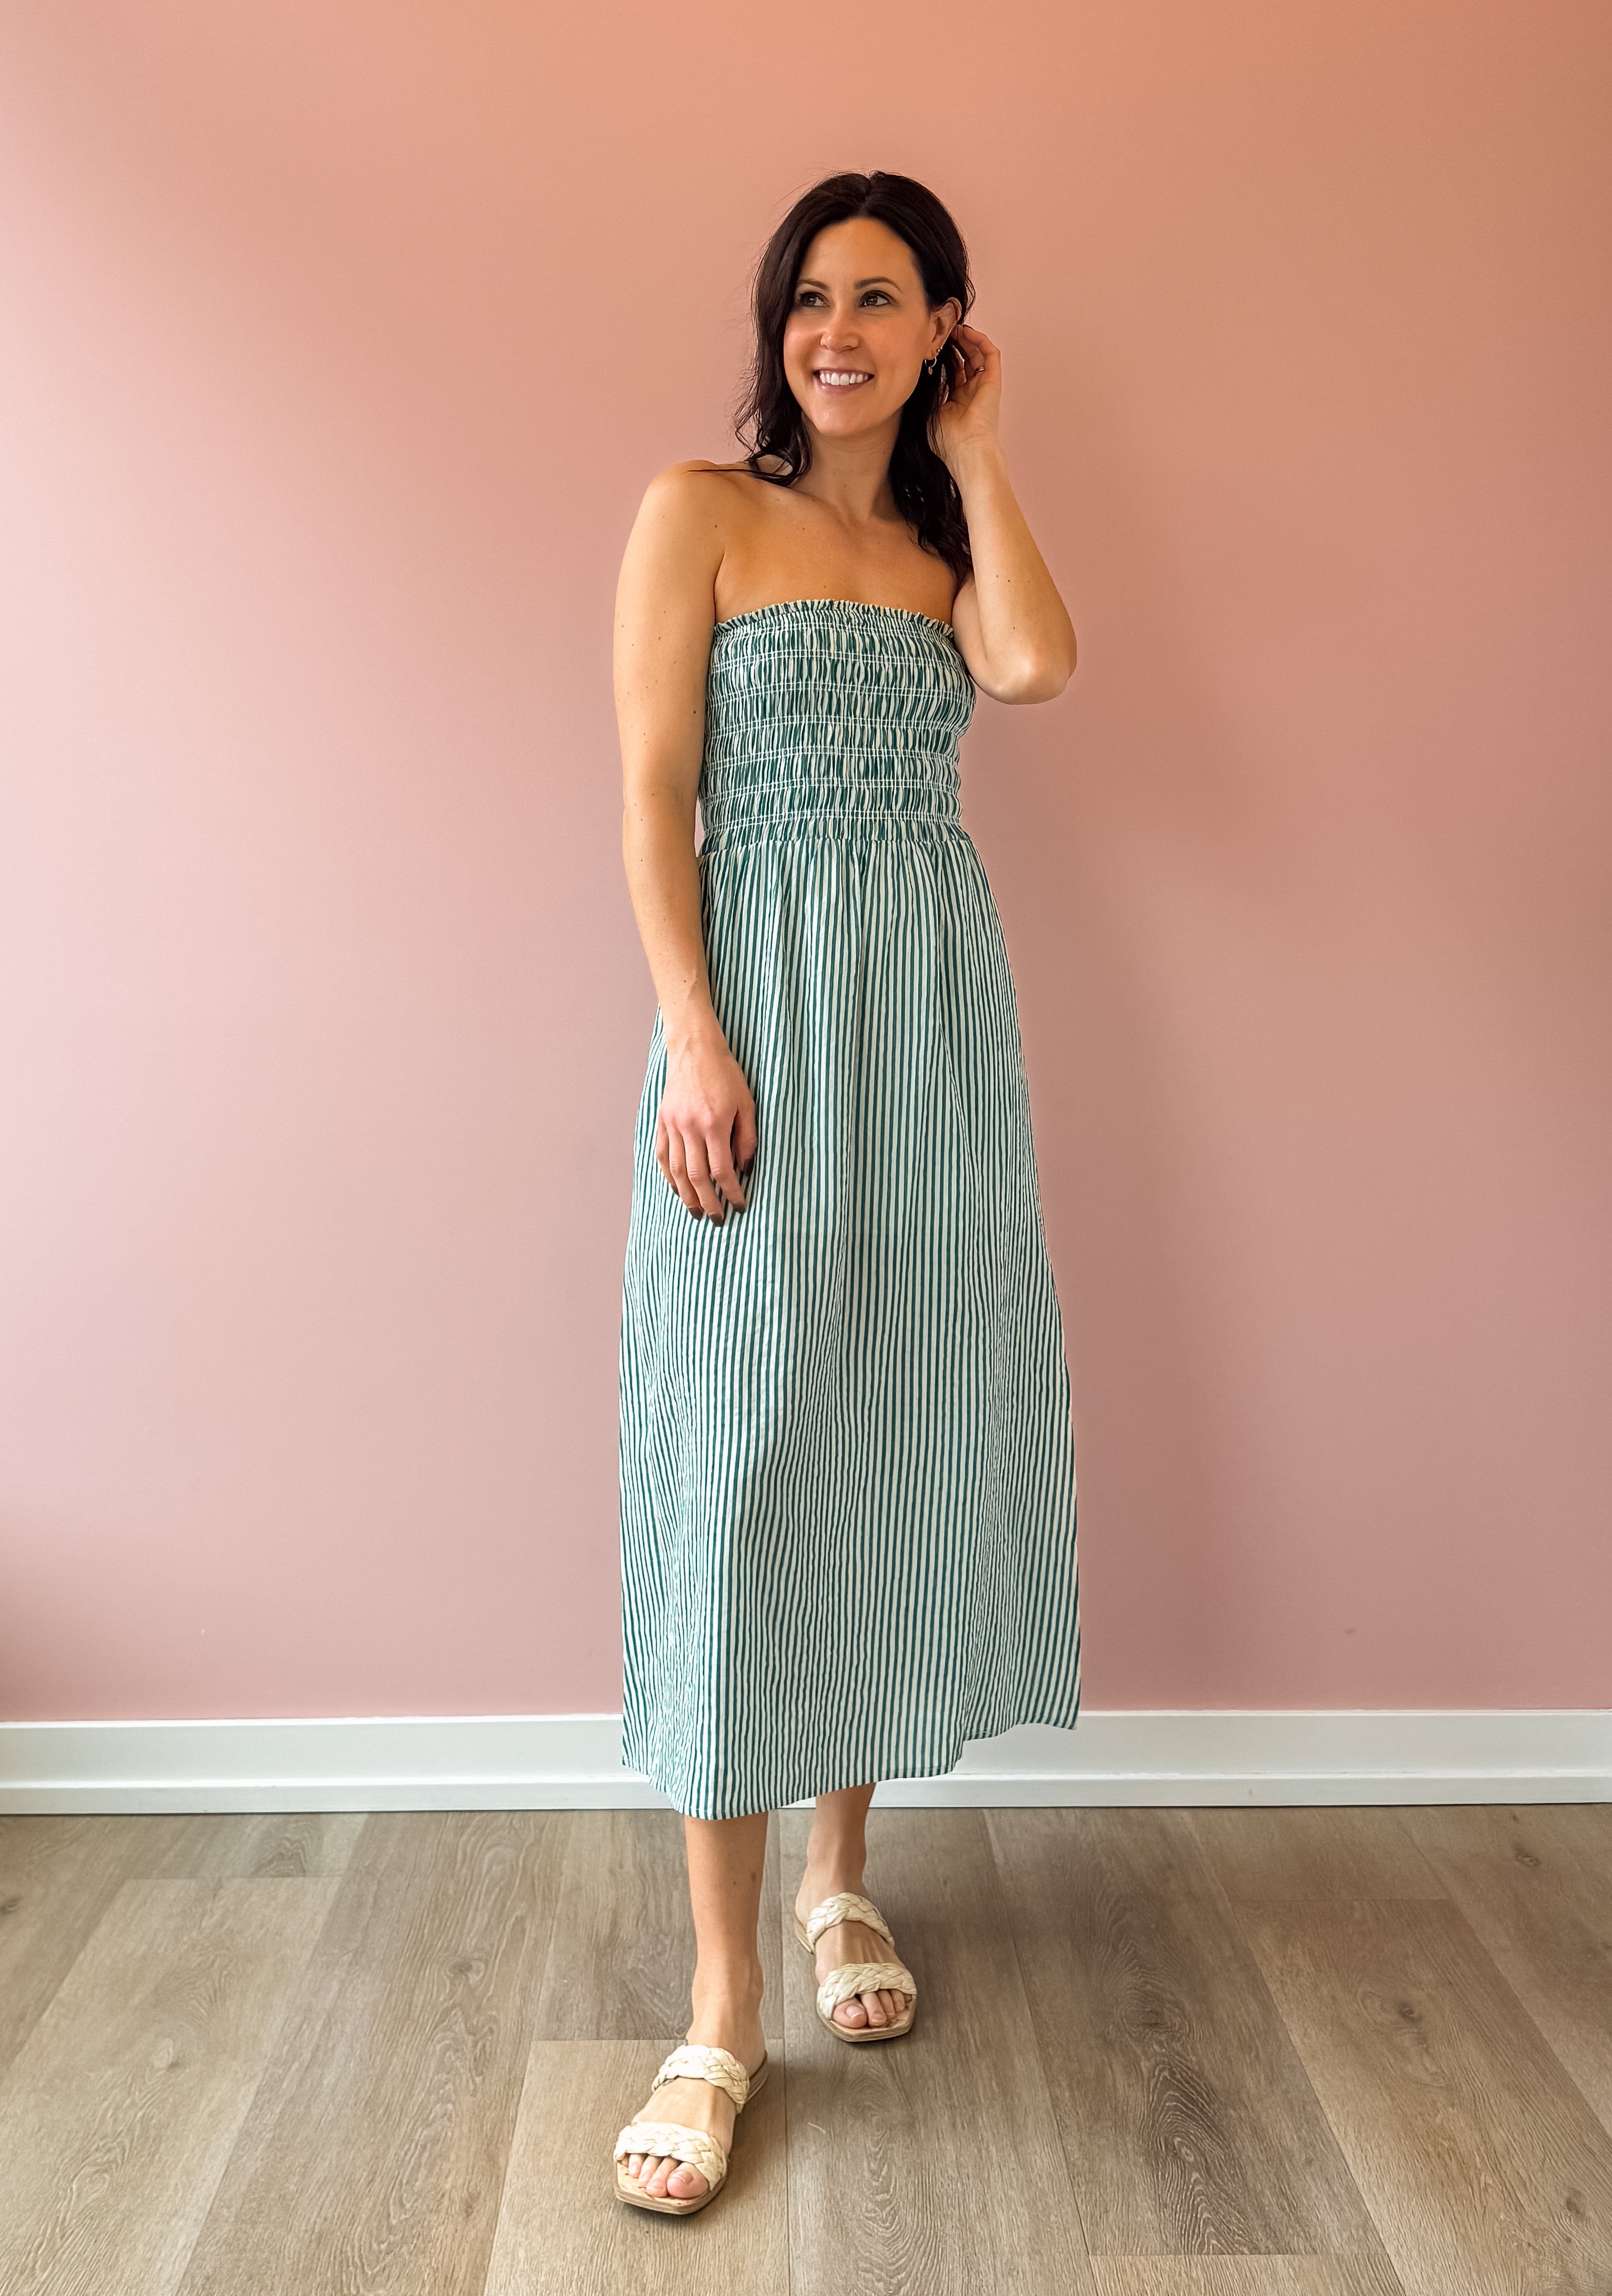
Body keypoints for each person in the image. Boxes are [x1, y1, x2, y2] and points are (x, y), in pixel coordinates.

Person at [610, 169, 1082, 2216]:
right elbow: (652, 793)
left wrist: (981, 452)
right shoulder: (698, 513)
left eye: (882, 298)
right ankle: (720, 2007)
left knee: (879, 1438)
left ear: (941, 328)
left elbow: (1037, 668)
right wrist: (695, 1039)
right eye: (811, 296)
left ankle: (838, 1880)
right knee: (736, 1472)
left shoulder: (942, 552)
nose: (838, 331)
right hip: (759, 1021)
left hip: (930, 1037)